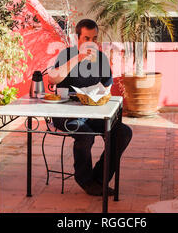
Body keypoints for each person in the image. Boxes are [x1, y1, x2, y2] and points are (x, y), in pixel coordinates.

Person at [48, 19, 133, 196]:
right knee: (85, 135)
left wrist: (99, 93)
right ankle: (85, 180)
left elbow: (107, 87)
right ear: (77, 38)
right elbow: (53, 79)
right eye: (87, 38)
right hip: (66, 113)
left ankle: (100, 179)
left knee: (123, 133)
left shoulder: (100, 58)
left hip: (92, 111)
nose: (91, 43)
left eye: (94, 39)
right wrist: (78, 58)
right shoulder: (66, 55)